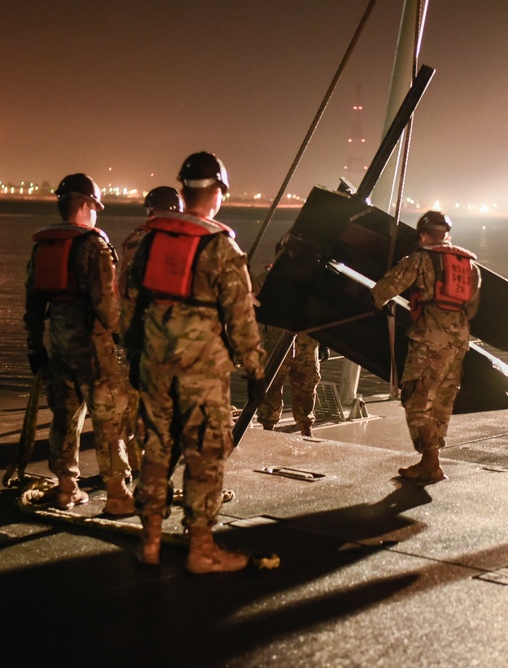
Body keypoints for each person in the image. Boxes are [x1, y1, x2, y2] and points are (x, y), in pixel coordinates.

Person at [122, 152, 266, 571]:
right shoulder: (221, 246)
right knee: (205, 452)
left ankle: (149, 541)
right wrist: (255, 371)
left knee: (156, 447)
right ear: (218, 192)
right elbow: (241, 318)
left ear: (183, 191)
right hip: (201, 370)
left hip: (154, 361)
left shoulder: (152, 239)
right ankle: (201, 549)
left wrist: (134, 353)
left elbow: (131, 302)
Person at [23, 173, 134, 515]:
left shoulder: (44, 245)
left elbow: (31, 303)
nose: (97, 214)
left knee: (64, 417)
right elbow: (106, 303)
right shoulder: (93, 246)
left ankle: (67, 488)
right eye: (96, 207)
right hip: (93, 349)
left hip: (57, 345)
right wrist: (127, 337)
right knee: (108, 419)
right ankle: (117, 493)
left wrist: (34, 347)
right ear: (85, 205)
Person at [370, 211, 481, 484]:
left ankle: (430, 463)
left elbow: (385, 289)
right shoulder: (470, 266)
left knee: (416, 400)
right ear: (447, 234)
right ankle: (432, 460)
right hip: (459, 344)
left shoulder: (421, 259)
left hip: (430, 342)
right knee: (442, 402)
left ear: (422, 235)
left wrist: (374, 301)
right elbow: (473, 307)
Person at [117, 186, 184, 472]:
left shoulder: (138, 239)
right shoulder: (153, 241)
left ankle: (139, 467)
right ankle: (142, 470)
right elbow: (133, 295)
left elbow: (123, 293)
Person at [254, 238, 325, 437]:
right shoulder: (266, 279)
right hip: (275, 345)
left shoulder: (312, 281)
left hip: (305, 346)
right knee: (271, 388)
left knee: (306, 388)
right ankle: (269, 427)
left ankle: (305, 427)